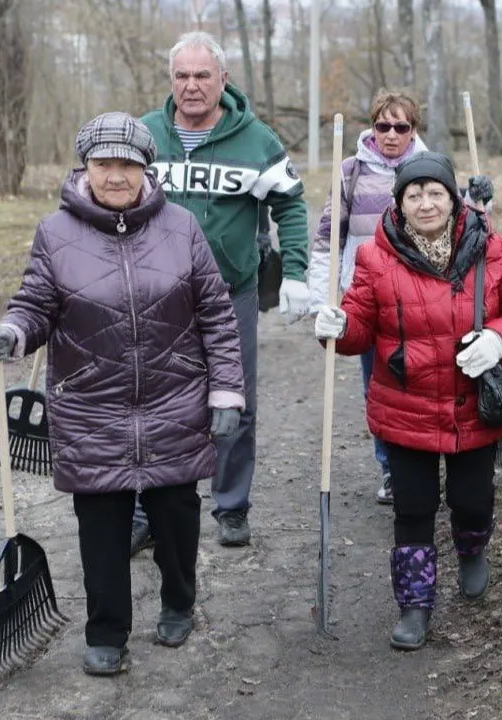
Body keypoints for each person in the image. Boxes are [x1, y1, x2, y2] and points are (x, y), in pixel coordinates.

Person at [0, 112, 246, 676]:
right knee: (101, 523)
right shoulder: (56, 233)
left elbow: (217, 316)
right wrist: (13, 333)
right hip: (91, 405)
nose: (116, 175)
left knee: (176, 516)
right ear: (86, 167)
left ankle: (179, 601)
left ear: (146, 168)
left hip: (174, 399)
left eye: (127, 163)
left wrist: (226, 392)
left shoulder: (181, 228)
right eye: (104, 164)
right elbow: (35, 305)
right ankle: (106, 631)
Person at [312, 151, 502, 650]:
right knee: (413, 510)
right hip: (405, 405)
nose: (425, 203)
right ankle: (415, 604)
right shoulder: (376, 257)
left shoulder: (489, 248)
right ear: (400, 203)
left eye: (435, 192)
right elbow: (359, 329)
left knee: (471, 499)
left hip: (472, 405)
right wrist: (338, 328)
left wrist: (500, 338)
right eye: (414, 194)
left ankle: (472, 549)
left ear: (454, 199)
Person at [133, 31, 311, 550]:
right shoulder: (143, 135)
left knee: (235, 401)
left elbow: (292, 205)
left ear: (223, 80)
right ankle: (148, 510)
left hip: (231, 291)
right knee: (153, 401)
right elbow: (106, 196)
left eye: (202, 75)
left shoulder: (256, 140)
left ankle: (231, 506)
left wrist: (295, 272)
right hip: (154, 298)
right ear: (172, 80)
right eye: (182, 76)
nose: (191, 86)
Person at [307, 89, 494, 505]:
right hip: (369, 294)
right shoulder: (351, 171)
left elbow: (469, 226)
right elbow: (327, 237)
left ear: (414, 128)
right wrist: (323, 297)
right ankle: (393, 469)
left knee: (429, 381)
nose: (391, 135)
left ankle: (445, 457)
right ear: (372, 126)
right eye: (383, 126)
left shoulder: (430, 168)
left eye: (401, 126)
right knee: (381, 385)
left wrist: (480, 199)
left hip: (428, 292)